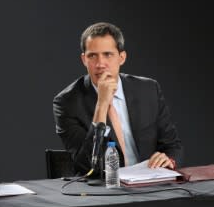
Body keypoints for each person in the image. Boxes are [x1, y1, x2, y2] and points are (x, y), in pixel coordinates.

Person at [53, 22, 184, 174]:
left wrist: (168, 160)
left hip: (149, 183)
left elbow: (173, 145)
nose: (100, 64)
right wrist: (101, 105)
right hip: (104, 189)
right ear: (84, 60)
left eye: (108, 55)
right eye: (92, 56)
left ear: (122, 57)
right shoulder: (66, 103)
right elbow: (86, 166)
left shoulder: (148, 89)